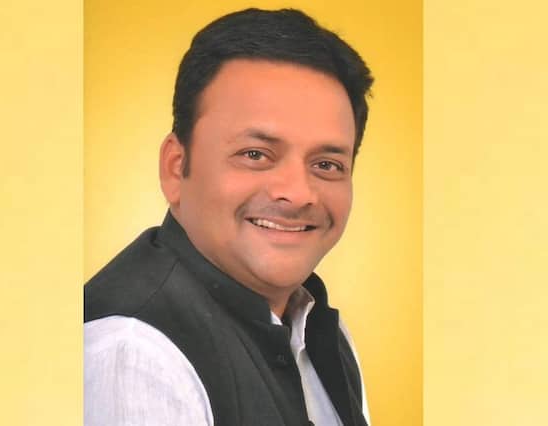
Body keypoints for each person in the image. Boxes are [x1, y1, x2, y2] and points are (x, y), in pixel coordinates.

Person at [84, 8, 374, 426]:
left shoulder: (322, 333)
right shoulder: (134, 356)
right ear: (176, 168)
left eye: (327, 164)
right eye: (255, 154)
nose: (297, 193)